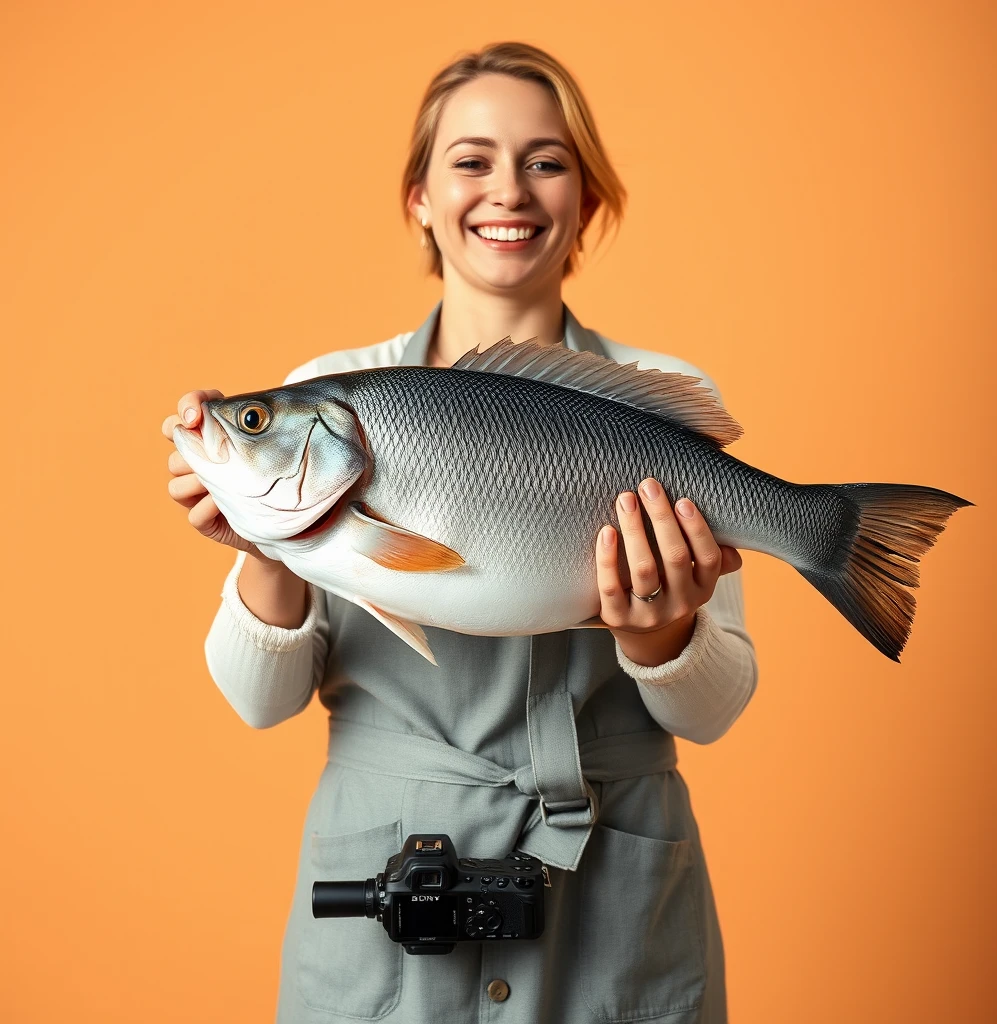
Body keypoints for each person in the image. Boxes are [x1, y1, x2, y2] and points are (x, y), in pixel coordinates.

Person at [163, 41, 757, 1024]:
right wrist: (261, 546)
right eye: (471, 160)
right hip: (388, 890)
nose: (508, 191)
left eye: (547, 159)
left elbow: (714, 709)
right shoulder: (331, 397)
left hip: (608, 883)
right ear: (419, 200)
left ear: (586, 201)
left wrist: (659, 633)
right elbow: (260, 701)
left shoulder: (655, 408)